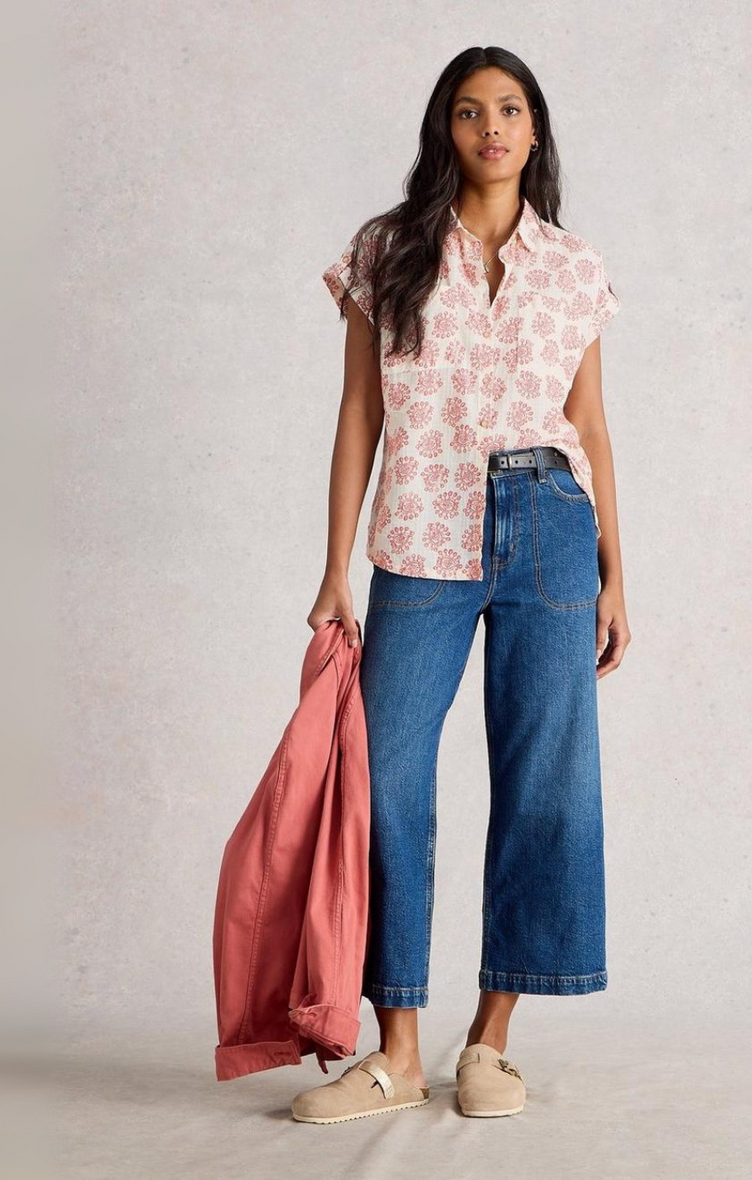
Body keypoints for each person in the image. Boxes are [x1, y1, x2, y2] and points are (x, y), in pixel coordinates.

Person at [293, 46, 631, 1124]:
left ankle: (490, 1038)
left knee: (543, 783)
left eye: (511, 109)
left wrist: (617, 572)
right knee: (386, 777)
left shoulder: (574, 265)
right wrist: (334, 565)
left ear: (536, 131)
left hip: (549, 531)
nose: (492, 126)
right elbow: (359, 413)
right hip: (421, 536)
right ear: (445, 128)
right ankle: (394, 1045)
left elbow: (587, 424)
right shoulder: (388, 251)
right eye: (471, 109)